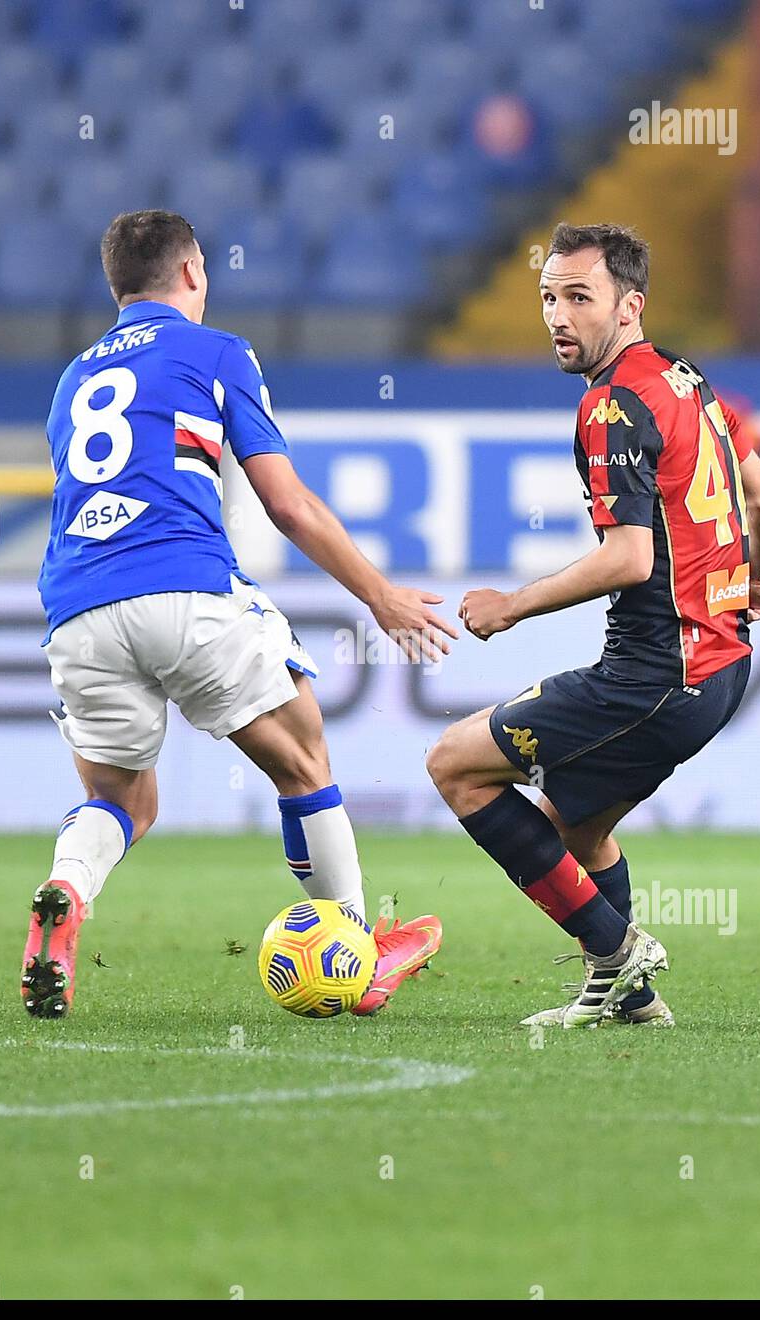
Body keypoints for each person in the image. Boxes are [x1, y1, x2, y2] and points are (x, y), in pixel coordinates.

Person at [22, 209, 455, 1019]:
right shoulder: (218, 351)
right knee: (302, 756)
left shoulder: (73, 377)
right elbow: (287, 507)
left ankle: (65, 888)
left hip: (76, 607)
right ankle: (353, 951)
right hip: (181, 585)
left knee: (123, 800)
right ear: (193, 273)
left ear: (117, 286)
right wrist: (379, 594)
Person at [426, 221, 760, 1029]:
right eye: (549, 296)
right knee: (578, 832)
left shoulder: (612, 402)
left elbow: (626, 560)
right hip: (721, 667)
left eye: (579, 297)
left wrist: (510, 605)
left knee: (455, 765)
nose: (558, 314)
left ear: (630, 305)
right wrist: (753, 579)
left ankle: (618, 956)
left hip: (656, 675)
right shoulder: (689, 381)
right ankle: (631, 1000)